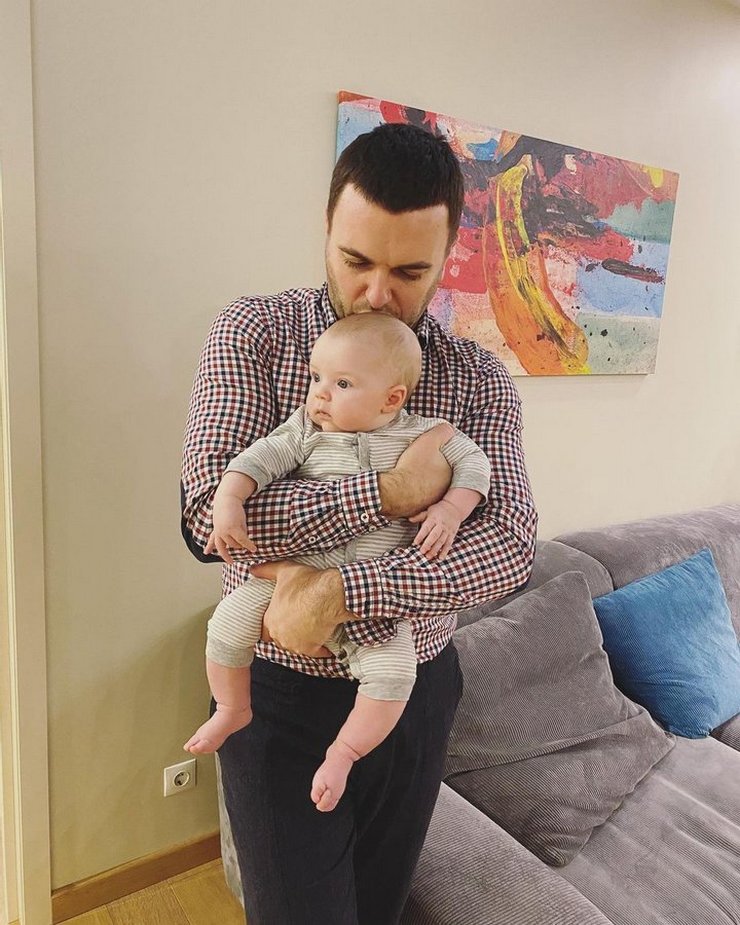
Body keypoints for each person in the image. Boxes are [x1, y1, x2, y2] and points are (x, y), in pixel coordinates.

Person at [181, 122, 538, 925]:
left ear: (448, 254)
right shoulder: (258, 333)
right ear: (327, 227)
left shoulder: (477, 377)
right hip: (277, 693)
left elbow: (510, 545)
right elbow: (209, 512)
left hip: (414, 686)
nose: (378, 293)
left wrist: (342, 589)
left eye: (409, 272)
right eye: (356, 261)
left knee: (380, 905)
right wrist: (389, 492)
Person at [183, 313, 491, 816]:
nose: (320, 394)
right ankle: (233, 708)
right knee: (226, 624)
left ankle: (344, 753)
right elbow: (256, 460)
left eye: (342, 383)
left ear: (392, 398)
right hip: (288, 585)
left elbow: (477, 467)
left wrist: (452, 508)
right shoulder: (305, 431)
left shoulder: (427, 435)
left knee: (394, 674)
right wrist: (230, 499)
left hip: (378, 604)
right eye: (316, 377)